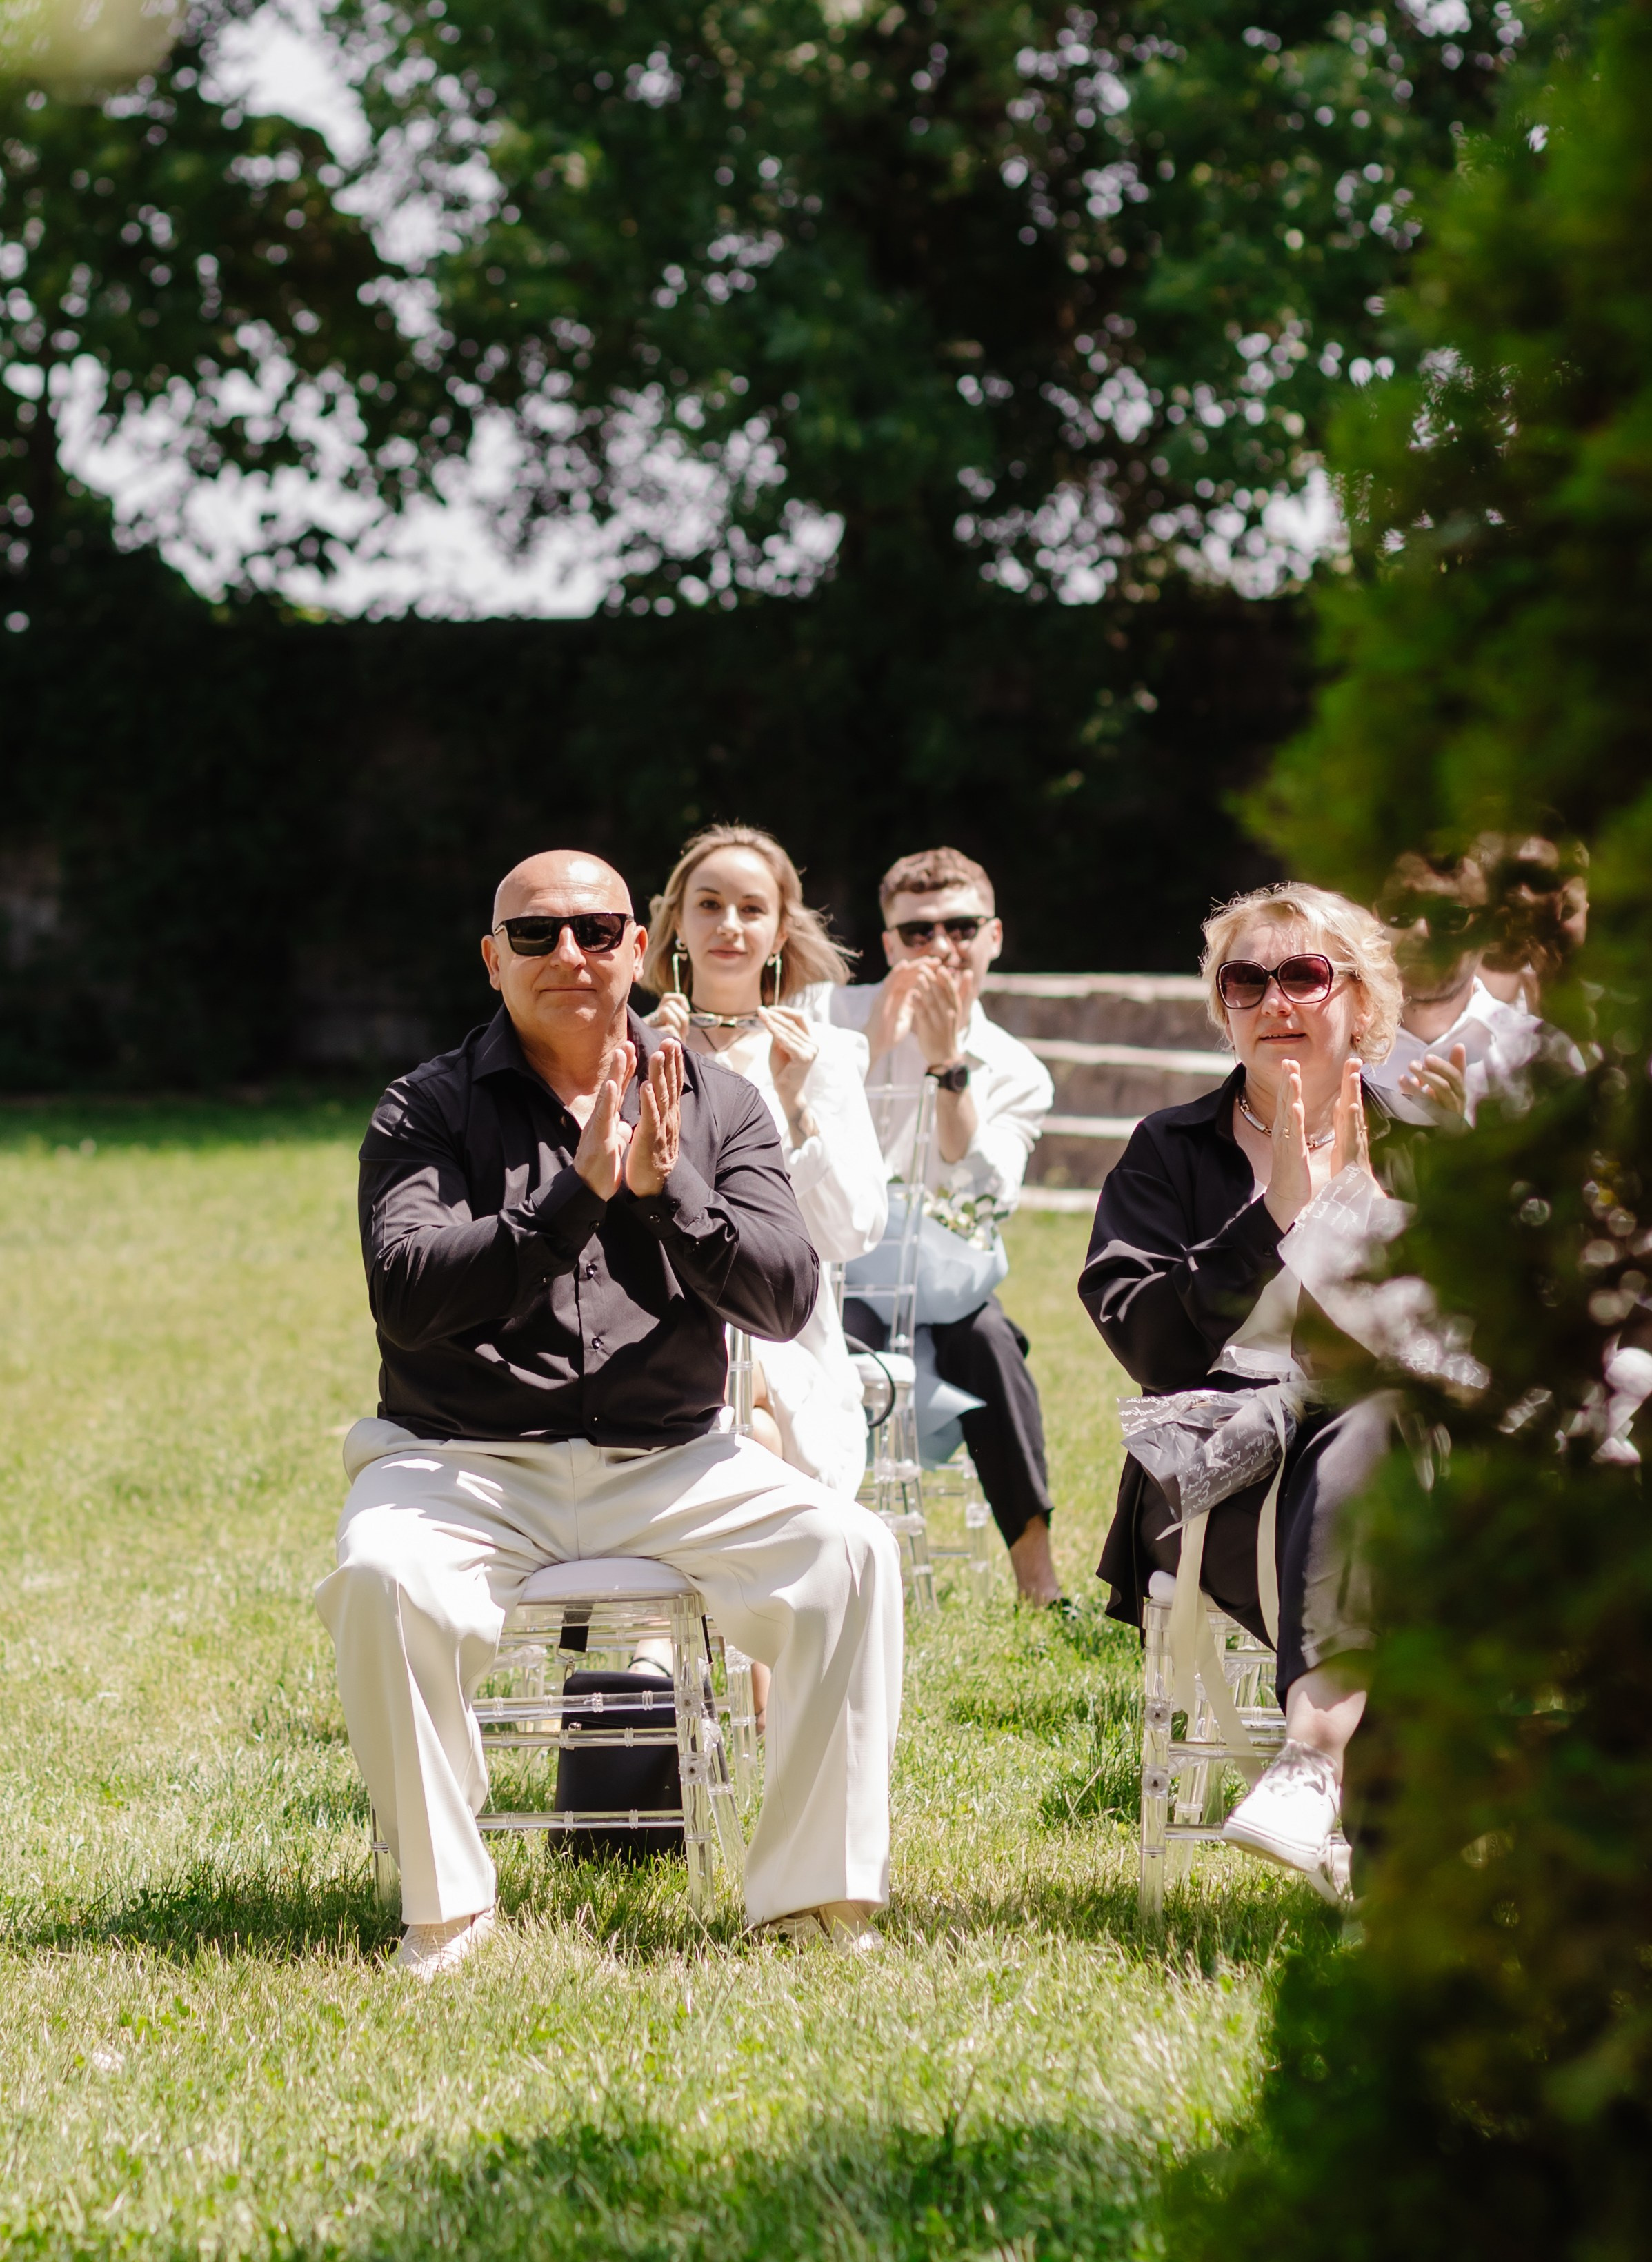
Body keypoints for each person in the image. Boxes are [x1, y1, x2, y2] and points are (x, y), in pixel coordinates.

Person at [315, 849, 904, 1977]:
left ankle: (813, 1899)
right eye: (535, 935)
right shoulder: (426, 1106)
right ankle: (445, 1911)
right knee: (383, 1576)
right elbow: (409, 1289)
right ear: (494, 961)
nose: (569, 954)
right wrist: (573, 1191)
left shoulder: (721, 1102)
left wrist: (666, 1188)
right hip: (462, 1457)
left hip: (671, 1456)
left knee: (851, 1550)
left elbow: (784, 1295)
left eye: (596, 930)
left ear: (641, 947)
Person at [1079, 882, 1406, 1890]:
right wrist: (1272, 1217)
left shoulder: (1418, 1151)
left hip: (1387, 1462)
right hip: (1219, 1480)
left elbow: (1462, 1340)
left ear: (1360, 1001)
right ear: (1221, 1006)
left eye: (1304, 974)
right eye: (1246, 979)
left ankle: (1313, 1768)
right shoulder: (1166, 1152)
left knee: (1378, 1435)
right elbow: (1148, 1341)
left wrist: (1362, 1224)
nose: (1276, 999)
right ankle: (1373, 1839)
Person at [822, 846, 1062, 1607]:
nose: (940, 948)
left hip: (950, 1284)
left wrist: (945, 1061)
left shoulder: (1017, 1068)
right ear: (890, 945)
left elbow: (981, 1187)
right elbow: (804, 1139)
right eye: (917, 933)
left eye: (959, 928)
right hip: (839, 1279)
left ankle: (1038, 1577)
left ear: (993, 936)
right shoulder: (831, 1017)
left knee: (991, 1340)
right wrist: (873, 1050)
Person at [642, 824, 888, 1502]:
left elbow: (855, 1233)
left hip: (779, 1330)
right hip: (647, 1317)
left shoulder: (825, 1056)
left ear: (779, 933)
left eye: (752, 909)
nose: (729, 925)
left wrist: (795, 1101)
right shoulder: (629, 1046)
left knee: (744, 1401)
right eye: (710, 904)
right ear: (677, 925)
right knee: (739, 1420)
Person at [1363, 850, 1539, 1125]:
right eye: (1399, 911)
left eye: (1448, 916)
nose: (1420, 931)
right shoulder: (1329, 1047)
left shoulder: (1538, 1056)